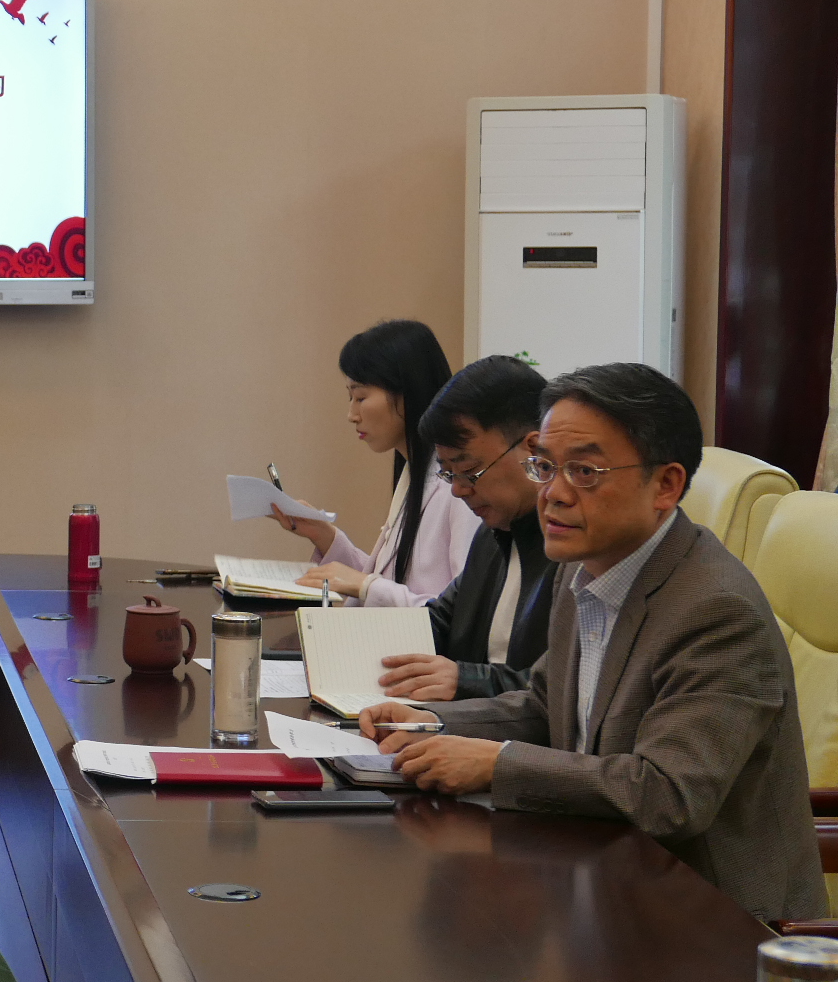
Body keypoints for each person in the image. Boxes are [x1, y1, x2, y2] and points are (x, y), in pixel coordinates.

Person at [358, 363, 823, 924]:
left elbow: (668, 796)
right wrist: (430, 723)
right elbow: (544, 705)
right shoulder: (582, 569)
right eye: (545, 466)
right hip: (602, 882)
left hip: (710, 924)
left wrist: (497, 764)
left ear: (666, 485)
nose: (552, 494)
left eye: (583, 471)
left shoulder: (716, 612)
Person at [374, 355, 554, 701]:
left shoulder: (576, 547)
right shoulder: (492, 535)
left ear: (533, 450)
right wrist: (334, 642)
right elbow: (438, 622)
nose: (457, 490)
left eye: (470, 471)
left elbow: (569, 689)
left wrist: (467, 680)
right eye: (448, 473)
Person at [269, 319, 479, 605]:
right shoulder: (414, 471)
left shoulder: (459, 487)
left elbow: (462, 612)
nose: (352, 415)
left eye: (360, 397)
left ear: (406, 393)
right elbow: (386, 580)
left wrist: (367, 585)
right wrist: (324, 535)